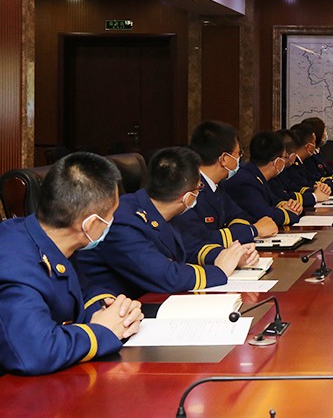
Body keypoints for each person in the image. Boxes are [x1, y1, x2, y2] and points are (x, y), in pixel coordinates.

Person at [0, 152, 143, 375]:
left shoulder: (48, 237)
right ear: (91, 224)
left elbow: (78, 291)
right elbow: (36, 352)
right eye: (111, 215)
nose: (112, 222)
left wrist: (112, 309)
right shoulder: (15, 266)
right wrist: (103, 330)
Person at [73, 147, 259, 299]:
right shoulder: (123, 221)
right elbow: (167, 276)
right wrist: (219, 271)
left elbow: (191, 248)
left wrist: (230, 256)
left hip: (150, 298)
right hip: (119, 308)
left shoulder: (163, 210)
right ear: (187, 197)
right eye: (199, 187)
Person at [172, 121, 279, 246]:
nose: (239, 159)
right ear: (224, 159)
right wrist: (253, 230)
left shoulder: (218, 185)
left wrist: (237, 232)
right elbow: (201, 238)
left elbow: (239, 216)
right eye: (238, 154)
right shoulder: (189, 189)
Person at [222, 131, 304, 227]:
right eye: (284, 157)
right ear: (278, 161)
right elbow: (265, 214)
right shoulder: (245, 181)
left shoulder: (255, 175)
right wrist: (292, 214)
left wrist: (290, 205)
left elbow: (274, 201)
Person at [269, 129, 331, 207]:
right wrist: (314, 197)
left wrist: (315, 189)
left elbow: (293, 187)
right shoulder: (271, 174)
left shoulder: (282, 171)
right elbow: (282, 196)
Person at [295, 117, 333, 192]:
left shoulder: (318, 154)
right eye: (324, 132)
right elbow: (312, 180)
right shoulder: (306, 159)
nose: (325, 135)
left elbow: (329, 173)